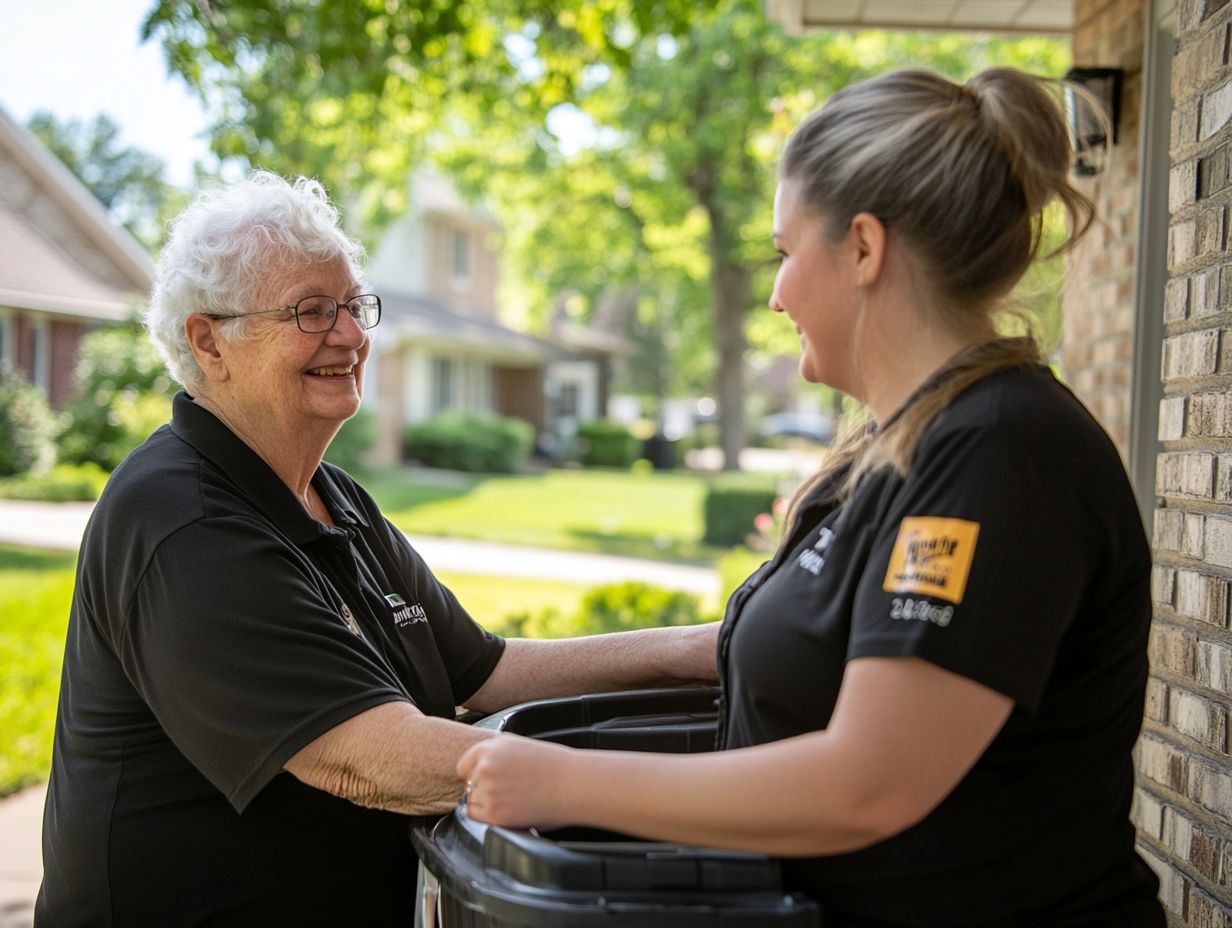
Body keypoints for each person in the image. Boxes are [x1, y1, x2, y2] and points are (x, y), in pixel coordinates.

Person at [458, 67, 1166, 927]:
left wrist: (561, 778)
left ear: (864, 248)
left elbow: (869, 783)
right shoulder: (897, 446)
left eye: (786, 253)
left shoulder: (1000, 451)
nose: (776, 293)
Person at [34, 170, 718, 927]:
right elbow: (375, 758)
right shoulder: (181, 520)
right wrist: (696, 789)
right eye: (311, 311)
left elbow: (484, 670)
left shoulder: (332, 494)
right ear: (209, 341)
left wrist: (694, 649)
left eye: (354, 307)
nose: (354, 337)